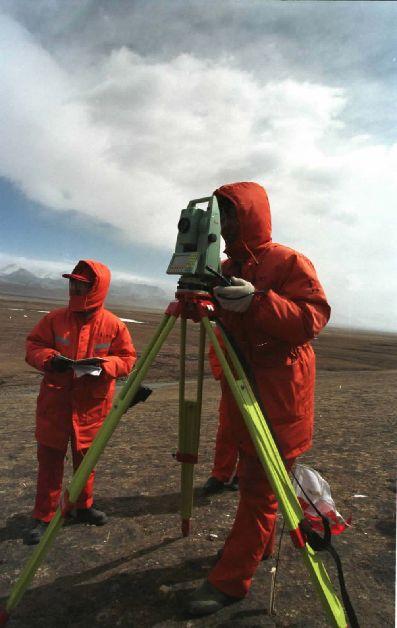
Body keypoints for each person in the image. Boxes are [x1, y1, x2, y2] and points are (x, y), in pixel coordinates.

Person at [188, 182, 331, 615]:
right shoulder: (225, 264)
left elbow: (312, 319)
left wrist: (258, 301)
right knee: (256, 485)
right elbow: (226, 326)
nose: (223, 224)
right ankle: (258, 549)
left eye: (229, 214)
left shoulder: (288, 261)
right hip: (243, 391)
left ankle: (232, 580)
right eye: (219, 215)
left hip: (279, 398)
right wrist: (204, 304)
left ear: (247, 216)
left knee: (259, 491)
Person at [24, 259, 136, 545]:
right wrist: (50, 360)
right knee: (49, 461)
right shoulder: (54, 319)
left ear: (96, 288)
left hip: (91, 408)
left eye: (81, 284)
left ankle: (81, 506)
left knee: (86, 461)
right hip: (55, 406)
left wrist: (104, 366)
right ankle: (44, 516)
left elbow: (127, 359)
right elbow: (33, 346)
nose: (74, 288)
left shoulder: (113, 325)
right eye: (72, 282)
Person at [202, 337, 239, 495]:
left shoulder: (261, 319)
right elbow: (217, 348)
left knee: (253, 435)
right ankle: (220, 475)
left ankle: (243, 475)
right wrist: (223, 373)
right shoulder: (225, 324)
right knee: (227, 432)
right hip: (231, 386)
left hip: (260, 383)